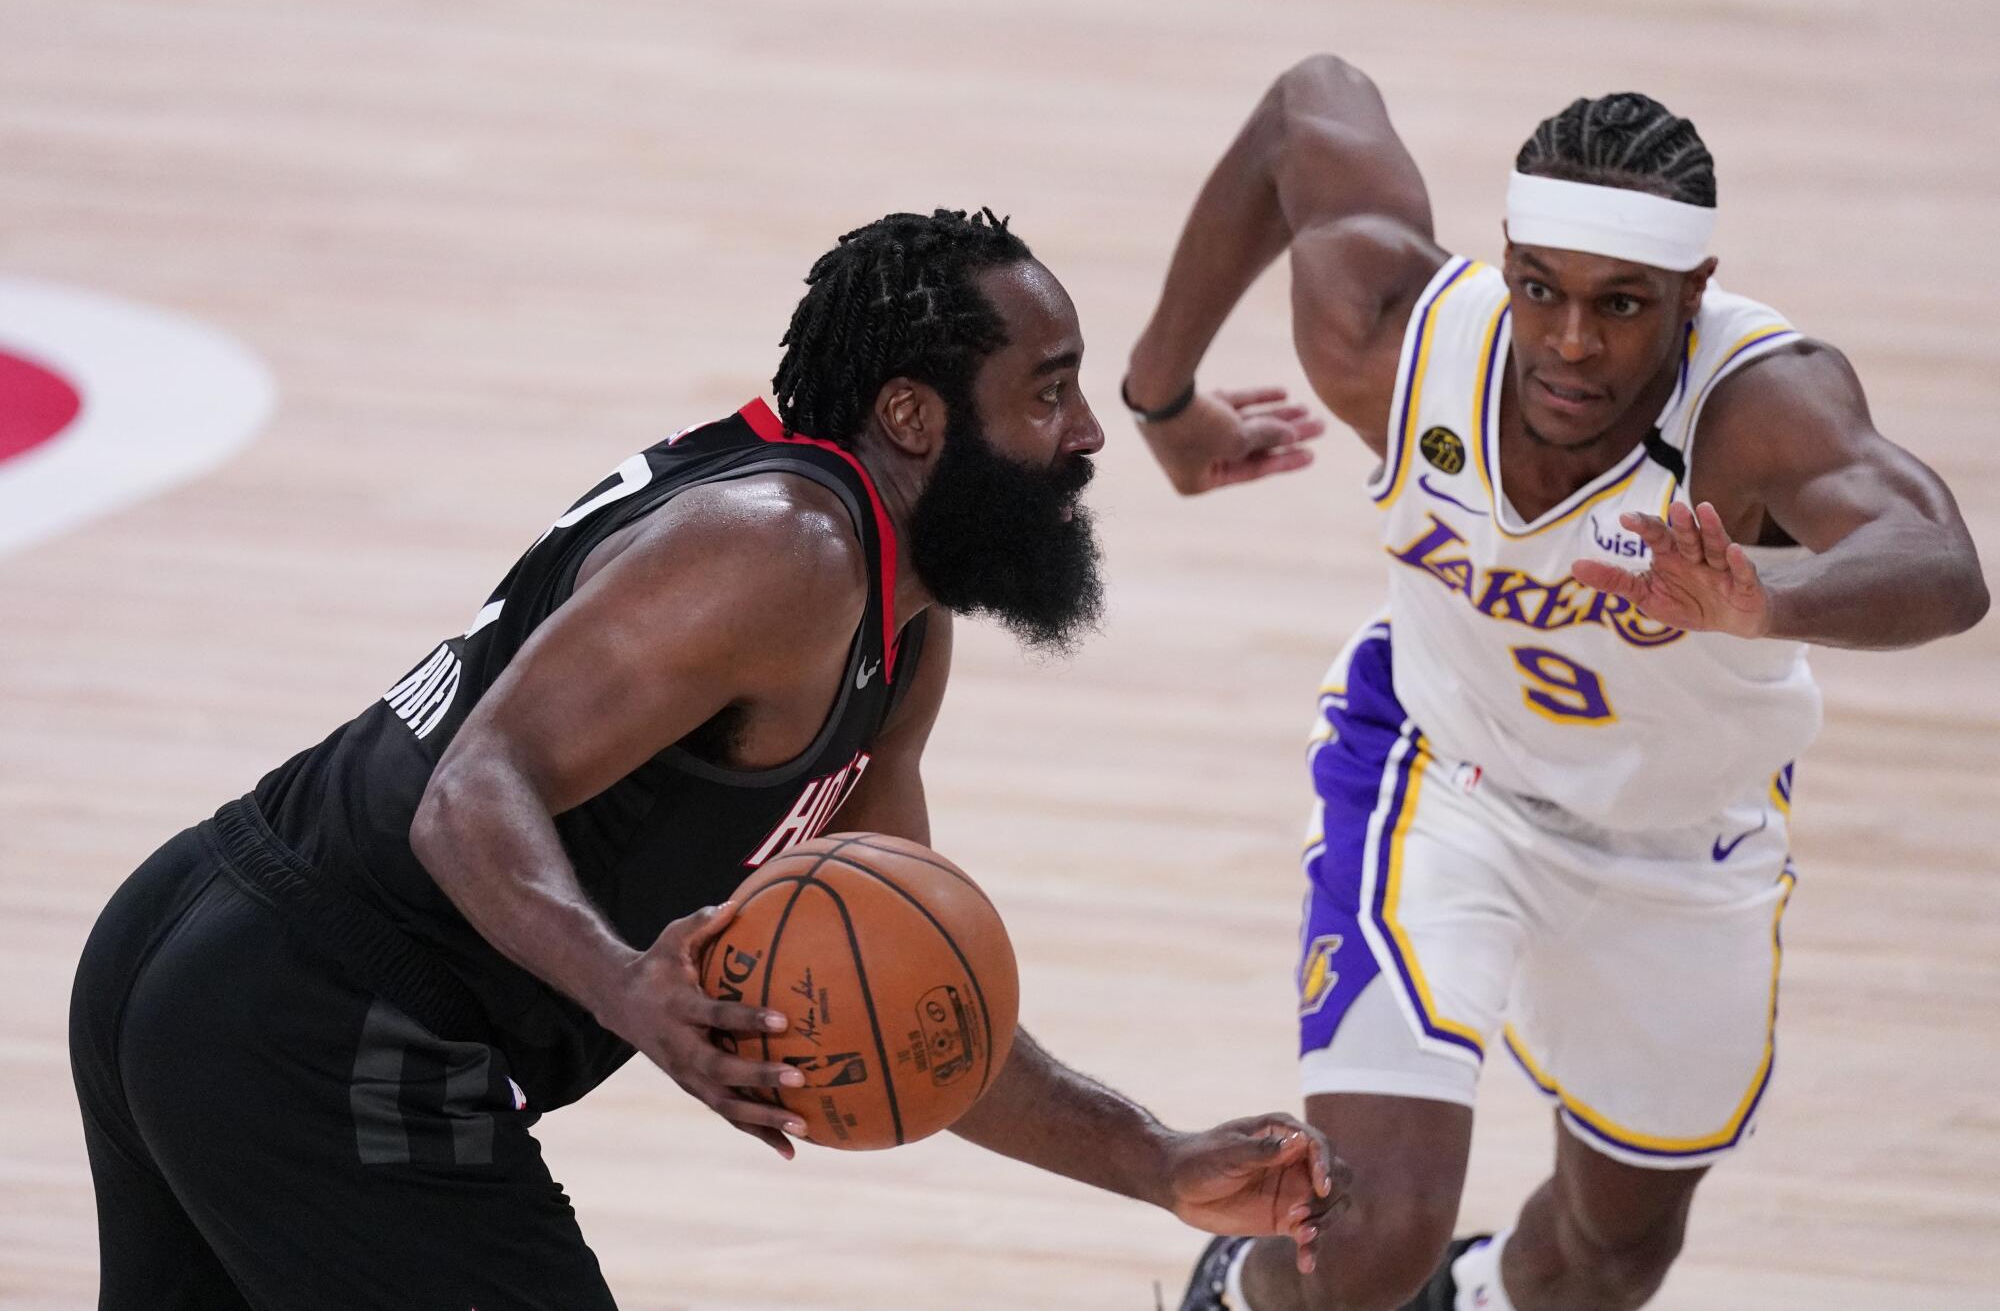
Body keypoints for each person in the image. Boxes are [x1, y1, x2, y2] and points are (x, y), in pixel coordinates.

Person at [69, 208, 1343, 1311]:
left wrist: (1156, 1158)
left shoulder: (898, 621)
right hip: (319, 1021)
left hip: (210, 952)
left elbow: (924, 1001)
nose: (1084, 437)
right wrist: (629, 987)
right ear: (912, 412)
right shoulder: (787, 547)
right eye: (1046, 390)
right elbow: (470, 793)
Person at [1124, 60, 1989, 1311]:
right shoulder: (1394, 339)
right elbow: (1304, 113)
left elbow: (1942, 563)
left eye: (1622, 305)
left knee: (1606, 1260)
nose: (1570, 343)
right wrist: (1160, 394)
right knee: (1372, 1229)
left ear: (1692, 293)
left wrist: (1764, 599)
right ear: (1507, 261)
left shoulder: (1756, 408)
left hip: (1681, 846)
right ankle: (1231, 1297)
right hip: (1436, 778)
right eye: (1540, 290)